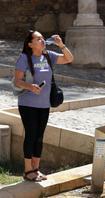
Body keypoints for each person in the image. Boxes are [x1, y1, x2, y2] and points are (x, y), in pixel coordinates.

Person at [14, 30, 73, 181]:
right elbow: (17, 81)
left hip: (44, 105)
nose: (42, 41)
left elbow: (69, 59)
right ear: (30, 44)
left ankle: (36, 169)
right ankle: (28, 171)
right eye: (38, 39)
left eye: (42, 38)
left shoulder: (48, 56)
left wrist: (61, 45)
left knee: (39, 137)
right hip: (28, 104)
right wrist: (30, 86)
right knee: (31, 135)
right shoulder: (24, 58)